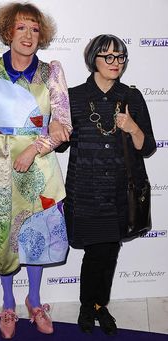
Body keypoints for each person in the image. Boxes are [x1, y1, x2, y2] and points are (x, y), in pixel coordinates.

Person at [0, 2, 72, 339]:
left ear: (41, 35)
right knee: (4, 236)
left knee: (38, 238)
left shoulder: (52, 73)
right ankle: (8, 303)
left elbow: (62, 126)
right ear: (7, 32)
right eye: (20, 27)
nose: (28, 34)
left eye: (34, 28)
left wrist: (33, 148)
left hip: (40, 166)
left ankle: (35, 301)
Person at [56, 34, 156, 335]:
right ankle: (92, 305)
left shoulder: (132, 97)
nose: (116, 62)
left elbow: (147, 145)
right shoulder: (71, 96)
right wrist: (56, 128)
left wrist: (133, 127)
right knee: (94, 251)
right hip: (84, 190)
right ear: (93, 59)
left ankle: (96, 305)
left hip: (117, 193)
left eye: (121, 56)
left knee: (108, 252)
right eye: (108, 56)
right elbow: (60, 146)